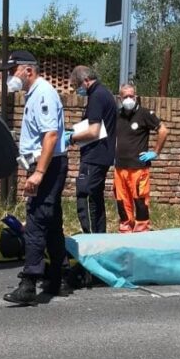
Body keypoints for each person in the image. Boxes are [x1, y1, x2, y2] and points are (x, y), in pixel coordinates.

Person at [3, 50, 69, 305]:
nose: (10, 76)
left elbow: (50, 136)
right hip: (46, 164)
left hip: (48, 166)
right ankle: (59, 277)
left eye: (12, 70)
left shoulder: (43, 93)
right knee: (51, 222)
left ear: (27, 70)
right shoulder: (35, 94)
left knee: (36, 222)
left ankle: (29, 282)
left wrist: (39, 172)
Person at [67, 65, 117, 234]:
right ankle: (99, 234)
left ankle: (90, 235)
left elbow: (93, 131)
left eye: (77, 86)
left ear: (86, 81)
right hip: (103, 155)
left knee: (84, 194)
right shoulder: (105, 93)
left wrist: (72, 137)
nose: (77, 90)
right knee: (96, 197)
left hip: (94, 156)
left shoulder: (96, 96)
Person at [113, 83, 169, 232]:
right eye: (125, 97)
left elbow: (163, 131)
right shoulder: (117, 115)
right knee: (122, 201)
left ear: (136, 96)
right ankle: (125, 229)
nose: (129, 99)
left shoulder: (145, 114)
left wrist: (155, 152)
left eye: (131, 96)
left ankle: (141, 230)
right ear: (120, 98)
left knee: (140, 201)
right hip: (119, 167)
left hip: (138, 167)